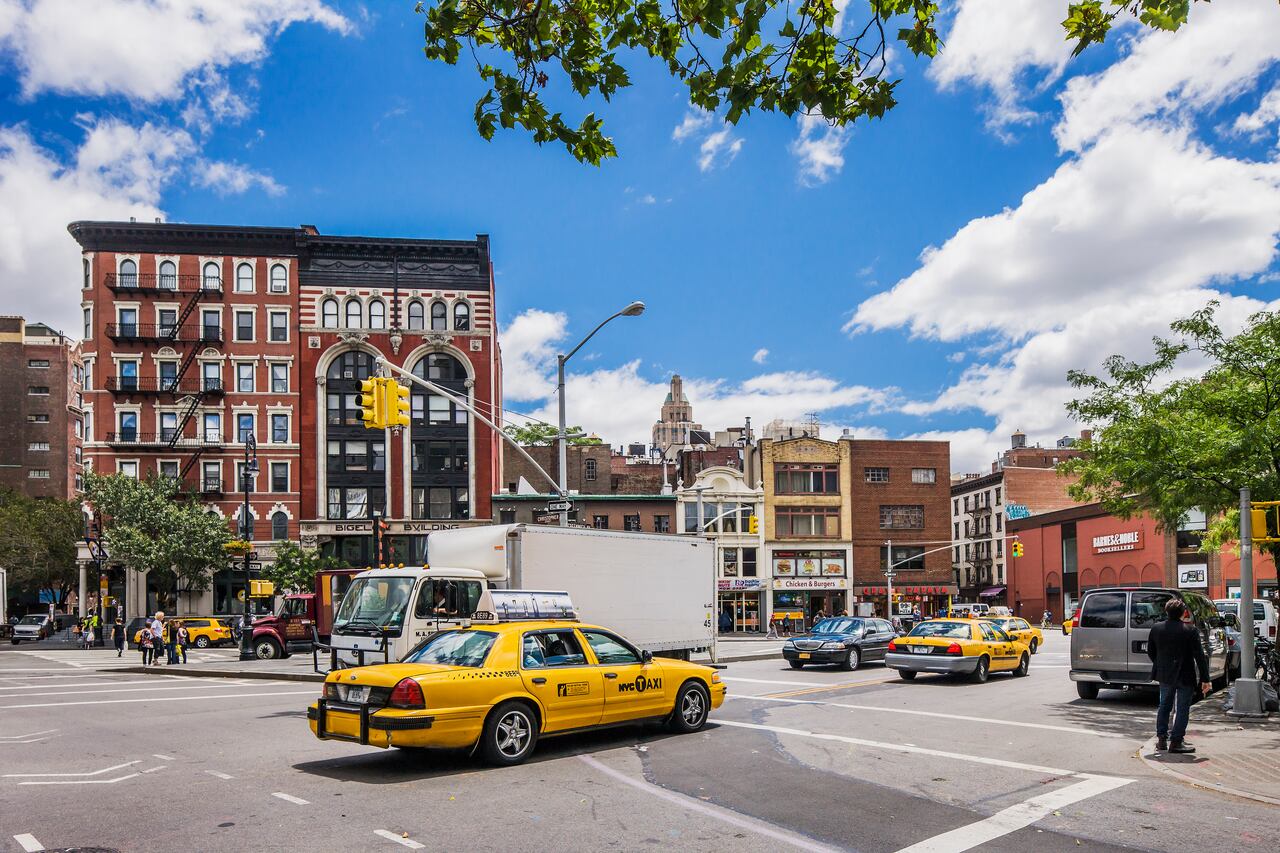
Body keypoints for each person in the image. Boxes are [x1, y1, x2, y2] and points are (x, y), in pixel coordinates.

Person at [1147, 598, 1211, 754]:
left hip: (1165, 674)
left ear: (1166, 612)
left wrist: (1160, 663)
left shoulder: (1156, 628)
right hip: (1185, 674)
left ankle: (1161, 739)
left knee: (1164, 706)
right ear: (1183, 613)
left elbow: (1151, 652)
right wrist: (1205, 678)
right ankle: (1176, 741)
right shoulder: (1190, 630)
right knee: (1182, 708)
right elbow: (1199, 656)